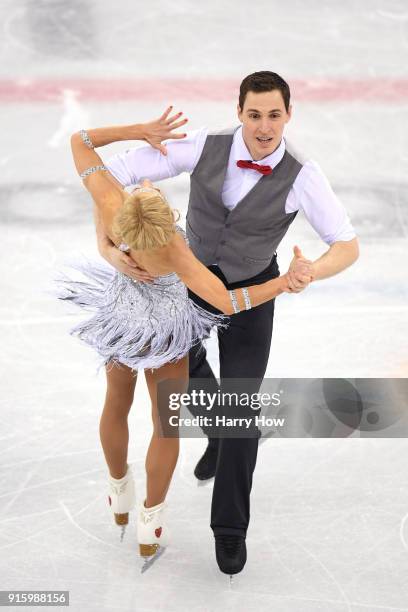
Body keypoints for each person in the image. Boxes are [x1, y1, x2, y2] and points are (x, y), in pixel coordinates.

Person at [87, 71, 359, 576]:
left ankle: (230, 529)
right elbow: (108, 174)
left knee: (240, 411)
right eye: (254, 114)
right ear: (239, 113)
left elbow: (347, 244)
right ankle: (212, 428)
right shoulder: (205, 146)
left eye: (274, 115)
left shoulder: (302, 175)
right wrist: (107, 243)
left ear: (288, 116)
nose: (264, 126)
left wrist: (310, 271)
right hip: (186, 279)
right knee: (182, 367)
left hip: (253, 287)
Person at [59, 115, 313, 564]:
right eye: (150, 189)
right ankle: (150, 520)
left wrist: (138, 130)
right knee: (165, 425)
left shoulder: (111, 207)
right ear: (166, 216)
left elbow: (80, 142)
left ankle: (118, 491)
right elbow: (228, 300)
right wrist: (283, 283)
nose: (147, 185)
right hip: (165, 334)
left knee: (115, 404)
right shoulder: (175, 248)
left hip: (121, 320)